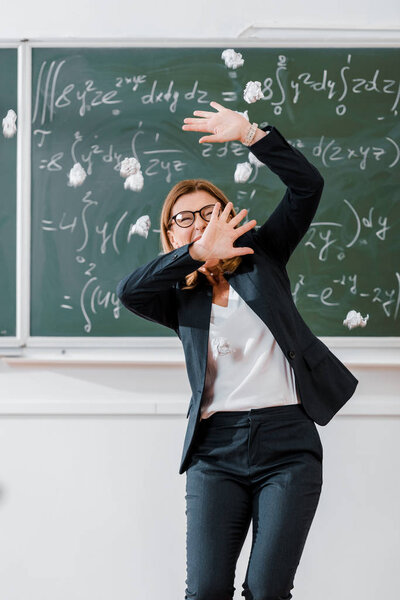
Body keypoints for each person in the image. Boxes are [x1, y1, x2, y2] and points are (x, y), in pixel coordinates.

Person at [117, 101, 358, 600]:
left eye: (209, 212)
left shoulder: (262, 256)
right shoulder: (175, 298)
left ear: (230, 217)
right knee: (205, 590)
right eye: (185, 219)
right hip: (215, 452)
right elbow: (129, 293)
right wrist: (197, 255)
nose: (199, 222)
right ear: (171, 236)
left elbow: (307, 187)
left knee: (268, 589)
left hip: (287, 444)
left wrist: (251, 134)